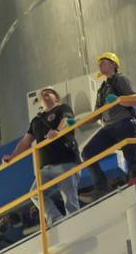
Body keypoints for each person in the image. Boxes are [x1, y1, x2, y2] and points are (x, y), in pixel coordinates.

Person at [6, 86, 81, 219]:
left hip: (66, 161)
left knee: (69, 197)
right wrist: (11, 157)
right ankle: (56, 219)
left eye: (49, 93)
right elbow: (25, 141)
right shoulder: (36, 121)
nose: (45, 95)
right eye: (43, 95)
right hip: (45, 167)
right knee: (35, 193)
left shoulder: (63, 108)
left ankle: (73, 221)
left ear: (56, 98)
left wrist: (57, 130)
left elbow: (67, 121)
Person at [79, 51, 136, 194]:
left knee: (130, 155)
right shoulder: (102, 89)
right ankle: (101, 187)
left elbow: (135, 99)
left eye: (104, 62)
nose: (100, 64)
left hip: (124, 123)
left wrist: (119, 100)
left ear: (114, 64)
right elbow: (97, 115)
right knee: (87, 153)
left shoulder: (121, 79)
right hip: (109, 127)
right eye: (99, 63)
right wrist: (77, 123)